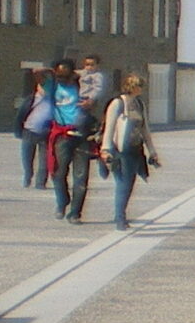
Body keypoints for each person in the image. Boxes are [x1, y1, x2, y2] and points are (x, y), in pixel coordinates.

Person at [97, 72, 162, 229]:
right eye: (139, 86)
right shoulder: (118, 103)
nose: (141, 89)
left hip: (135, 149)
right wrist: (106, 149)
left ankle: (121, 215)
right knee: (123, 183)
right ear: (132, 86)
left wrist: (152, 151)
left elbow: (145, 129)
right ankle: (120, 218)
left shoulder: (139, 104)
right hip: (120, 150)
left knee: (129, 183)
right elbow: (109, 127)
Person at [46, 59, 99, 221]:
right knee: (58, 173)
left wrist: (92, 102)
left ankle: (75, 213)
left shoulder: (82, 86)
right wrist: (50, 71)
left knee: (81, 177)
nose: (63, 79)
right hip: (62, 135)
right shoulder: (53, 86)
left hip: (82, 135)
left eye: (66, 75)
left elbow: (101, 95)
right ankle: (62, 201)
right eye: (59, 75)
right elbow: (36, 74)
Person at [14, 68, 51, 185]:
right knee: (27, 158)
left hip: (46, 132)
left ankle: (41, 182)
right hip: (29, 130)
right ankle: (27, 175)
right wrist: (18, 130)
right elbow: (21, 115)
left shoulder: (54, 101)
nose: (44, 90)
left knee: (44, 160)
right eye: (41, 86)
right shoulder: (30, 99)